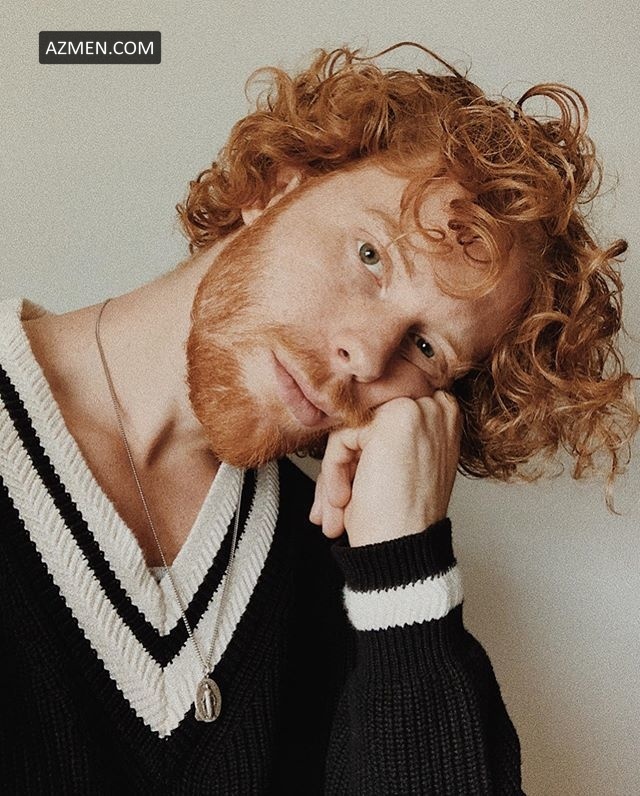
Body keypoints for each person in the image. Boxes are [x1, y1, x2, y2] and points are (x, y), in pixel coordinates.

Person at [0, 43, 636, 794]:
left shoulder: (357, 584)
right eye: (371, 255)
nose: (364, 355)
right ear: (278, 186)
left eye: (426, 347)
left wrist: (404, 571)